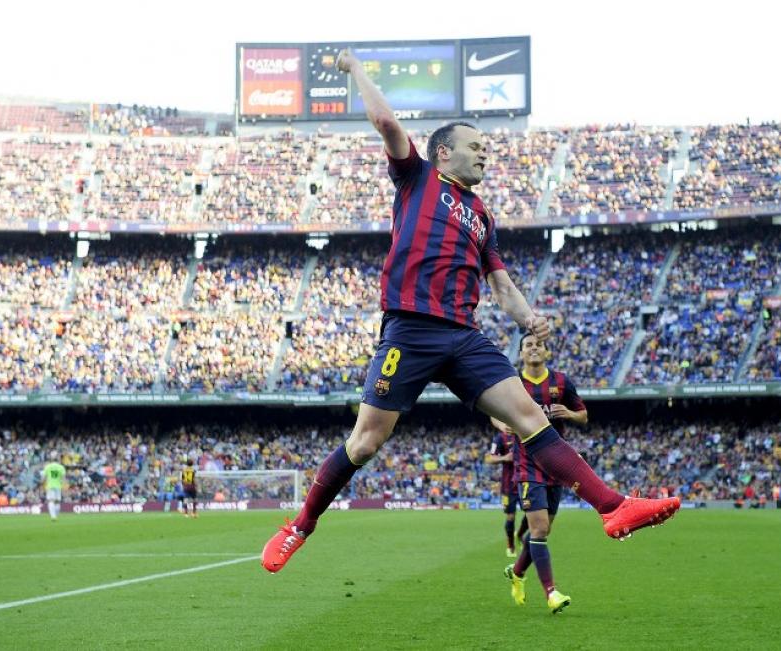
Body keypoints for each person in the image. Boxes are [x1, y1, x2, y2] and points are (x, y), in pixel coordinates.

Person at [261, 48, 680, 575]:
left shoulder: (482, 214)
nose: (485, 155)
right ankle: (300, 525)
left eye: (486, 148)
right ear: (443, 153)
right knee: (366, 443)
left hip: (464, 336)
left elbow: (500, 283)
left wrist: (527, 318)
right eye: (475, 147)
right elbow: (386, 122)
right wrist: (355, 69)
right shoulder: (416, 177)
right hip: (410, 330)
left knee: (530, 418)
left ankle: (613, 508)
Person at [501, 334, 588, 614]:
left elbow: (583, 415)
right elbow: (496, 412)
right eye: (528, 345)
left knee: (543, 530)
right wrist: (505, 424)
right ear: (521, 353)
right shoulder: (513, 384)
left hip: (556, 464)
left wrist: (569, 414)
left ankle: (517, 572)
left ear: (547, 351)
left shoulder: (561, 382)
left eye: (539, 344)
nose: (534, 348)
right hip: (527, 465)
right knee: (538, 529)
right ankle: (551, 593)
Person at [484, 423, 528, 558]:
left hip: (525, 482)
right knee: (510, 516)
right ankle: (510, 545)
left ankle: (519, 534)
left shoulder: (524, 432)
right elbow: (490, 458)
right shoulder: (500, 438)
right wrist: (504, 458)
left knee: (531, 514)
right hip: (508, 486)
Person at [41, 453, 67, 521]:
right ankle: (56, 515)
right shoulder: (61, 467)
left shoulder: (47, 467)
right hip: (58, 486)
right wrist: (64, 487)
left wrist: (41, 484)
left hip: (50, 486)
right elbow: (64, 478)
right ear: (57, 459)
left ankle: (53, 516)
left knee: (51, 500)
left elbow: (43, 478)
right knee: (57, 501)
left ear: (51, 459)